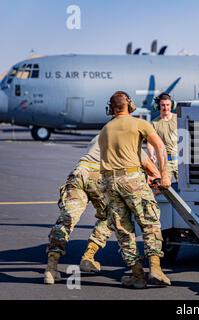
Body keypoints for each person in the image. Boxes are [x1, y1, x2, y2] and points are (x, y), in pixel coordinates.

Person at [43, 135, 161, 285]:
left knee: (66, 220)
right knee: (109, 218)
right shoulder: (128, 137)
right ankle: (88, 256)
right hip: (99, 175)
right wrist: (157, 177)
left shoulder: (100, 135)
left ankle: (51, 268)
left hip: (79, 174)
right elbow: (146, 164)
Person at [99, 91, 171, 289]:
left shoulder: (105, 129)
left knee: (123, 230)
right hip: (132, 179)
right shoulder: (140, 124)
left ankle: (137, 275)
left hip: (109, 183)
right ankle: (155, 268)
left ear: (111, 109)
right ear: (129, 106)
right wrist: (163, 175)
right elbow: (160, 147)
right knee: (149, 222)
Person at [148, 93, 178, 182]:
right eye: (163, 105)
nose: (166, 107)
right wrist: (151, 154)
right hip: (165, 162)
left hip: (181, 161)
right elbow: (150, 142)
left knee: (187, 188)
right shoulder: (154, 123)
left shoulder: (178, 119)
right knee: (163, 188)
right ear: (158, 106)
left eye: (168, 105)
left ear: (172, 105)